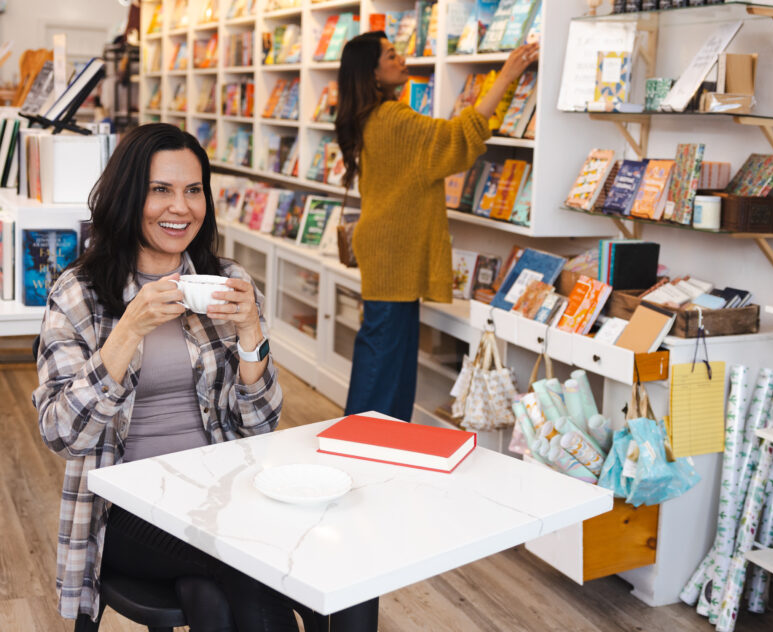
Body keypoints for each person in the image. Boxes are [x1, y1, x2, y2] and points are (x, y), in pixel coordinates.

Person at [32, 123, 292, 631]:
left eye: (193, 190)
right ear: (130, 196)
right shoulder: (78, 294)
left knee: (215, 595)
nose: (182, 207)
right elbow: (61, 434)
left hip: (222, 490)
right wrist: (129, 328)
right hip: (127, 509)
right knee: (254, 564)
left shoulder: (229, 283)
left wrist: (251, 334)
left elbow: (260, 427)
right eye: (161, 190)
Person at [335, 32, 539, 423]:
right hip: (393, 254)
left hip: (387, 250)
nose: (403, 59)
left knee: (386, 357)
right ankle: (361, 441)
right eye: (392, 55)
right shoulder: (393, 118)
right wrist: (506, 76)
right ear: (373, 73)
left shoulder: (373, 117)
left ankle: (378, 440)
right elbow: (454, 140)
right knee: (383, 361)